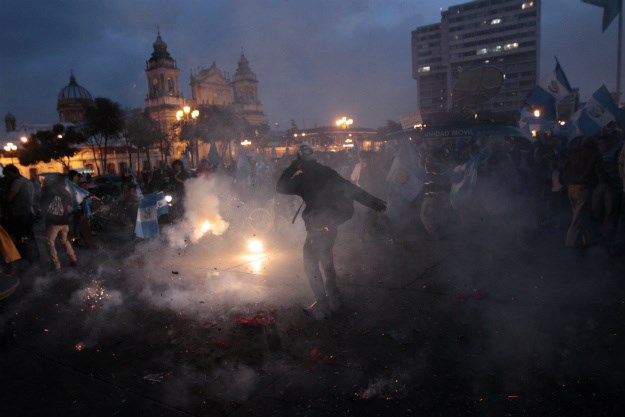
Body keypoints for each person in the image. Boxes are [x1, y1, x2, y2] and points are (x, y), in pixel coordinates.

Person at [276, 144, 387, 319]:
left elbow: (280, 187)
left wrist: (293, 167)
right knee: (326, 261)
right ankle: (334, 299)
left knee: (310, 265)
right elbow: (350, 188)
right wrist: (373, 202)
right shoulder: (327, 172)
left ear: (300, 161)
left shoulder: (303, 177)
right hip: (331, 227)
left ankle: (322, 304)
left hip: (316, 228)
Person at [2, 164, 41, 267]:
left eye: (8, 175)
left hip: (20, 214)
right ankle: (35, 258)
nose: (7, 177)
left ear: (11, 173)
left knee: (22, 237)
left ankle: (27, 259)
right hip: (29, 212)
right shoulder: (28, 181)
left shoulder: (17, 182)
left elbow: (9, 198)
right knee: (30, 237)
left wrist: (3, 195)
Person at [41, 174, 77, 272]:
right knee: (65, 241)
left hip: (53, 222)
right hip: (64, 222)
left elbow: (43, 205)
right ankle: (73, 259)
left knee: (50, 243)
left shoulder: (50, 191)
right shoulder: (66, 192)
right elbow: (69, 208)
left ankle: (56, 265)